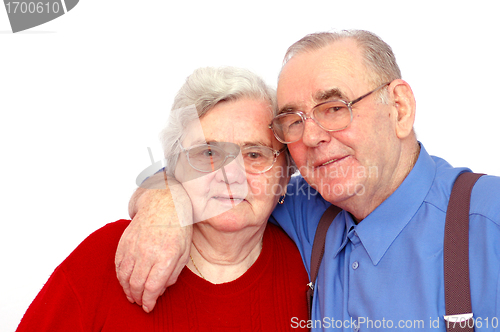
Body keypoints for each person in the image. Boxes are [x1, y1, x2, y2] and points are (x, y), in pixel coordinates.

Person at [116, 30, 500, 331]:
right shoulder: (302, 206)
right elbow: (207, 174)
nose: (312, 137)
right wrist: (166, 203)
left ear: (399, 108)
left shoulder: (489, 223)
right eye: (294, 122)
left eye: (334, 108)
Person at [16, 67, 309, 331]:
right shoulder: (107, 256)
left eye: (254, 154)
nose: (230, 175)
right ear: (175, 168)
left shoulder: (312, 266)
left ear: (285, 176)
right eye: (208, 153)